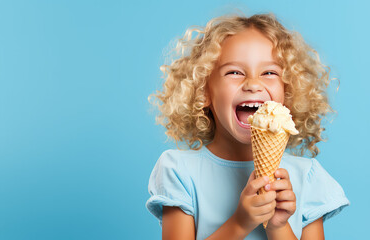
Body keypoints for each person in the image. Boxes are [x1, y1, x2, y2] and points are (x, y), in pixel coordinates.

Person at [146, 13, 349, 240]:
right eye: (234, 72)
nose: (253, 84)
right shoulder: (179, 170)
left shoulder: (308, 177)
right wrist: (240, 223)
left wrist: (277, 226)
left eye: (269, 73)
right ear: (203, 92)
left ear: (288, 93)